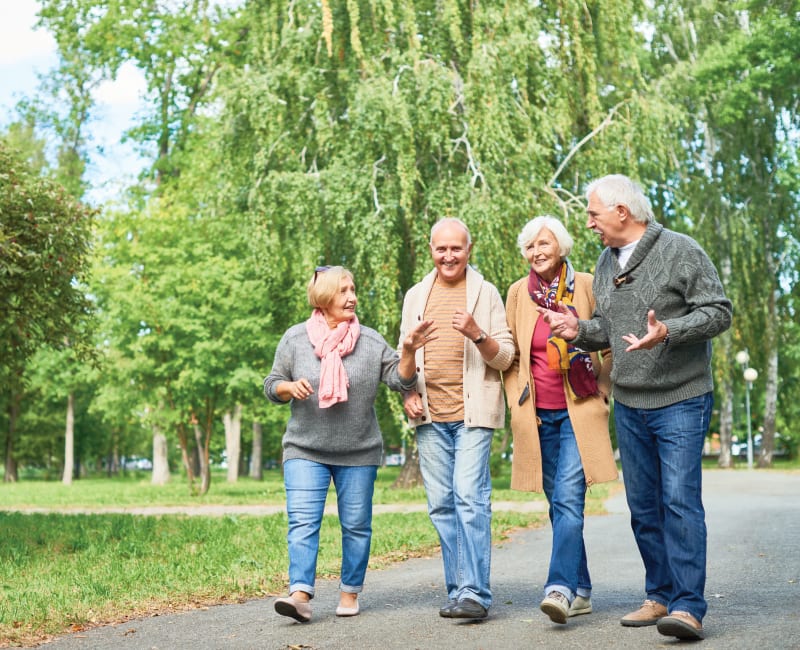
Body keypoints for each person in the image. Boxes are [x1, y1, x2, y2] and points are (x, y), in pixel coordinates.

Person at [540, 175, 732, 641]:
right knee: (643, 506)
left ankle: (688, 606)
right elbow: (609, 327)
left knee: (679, 502)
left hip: (681, 398)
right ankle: (660, 595)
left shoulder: (681, 250)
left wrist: (668, 331)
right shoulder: (606, 262)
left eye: (593, 214)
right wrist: (578, 330)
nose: (588, 224)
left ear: (622, 212)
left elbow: (719, 312)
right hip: (629, 401)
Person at [264, 265, 435, 623]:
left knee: (356, 524)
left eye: (353, 289)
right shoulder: (295, 339)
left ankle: (349, 591)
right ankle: (300, 595)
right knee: (303, 522)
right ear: (324, 297)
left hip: (358, 451)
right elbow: (272, 383)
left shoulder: (370, 342)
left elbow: (400, 380)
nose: (352, 297)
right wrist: (288, 388)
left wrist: (406, 351)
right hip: (304, 449)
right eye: (343, 290)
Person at [503, 216, 618, 625]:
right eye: (530, 245)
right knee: (558, 505)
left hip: (578, 409)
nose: (537, 252)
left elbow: (609, 338)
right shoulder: (518, 293)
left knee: (569, 498)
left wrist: (603, 389)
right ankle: (582, 587)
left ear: (562, 246)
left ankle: (559, 588)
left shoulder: (585, 284)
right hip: (537, 415)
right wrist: (514, 400)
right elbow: (513, 354)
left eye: (544, 243)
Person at [398, 218, 515, 620]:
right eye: (441, 249)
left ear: (470, 249)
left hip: (473, 413)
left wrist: (477, 333)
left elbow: (505, 357)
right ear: (431, 249)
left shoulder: (485, 293)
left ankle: (476, 594)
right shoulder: (415, 296)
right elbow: (403, 367)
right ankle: (459, 590)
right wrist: (408, 388)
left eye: (456, 249)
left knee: (469, 496)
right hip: (429, 415)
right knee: (441, 505)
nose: (448, 256)